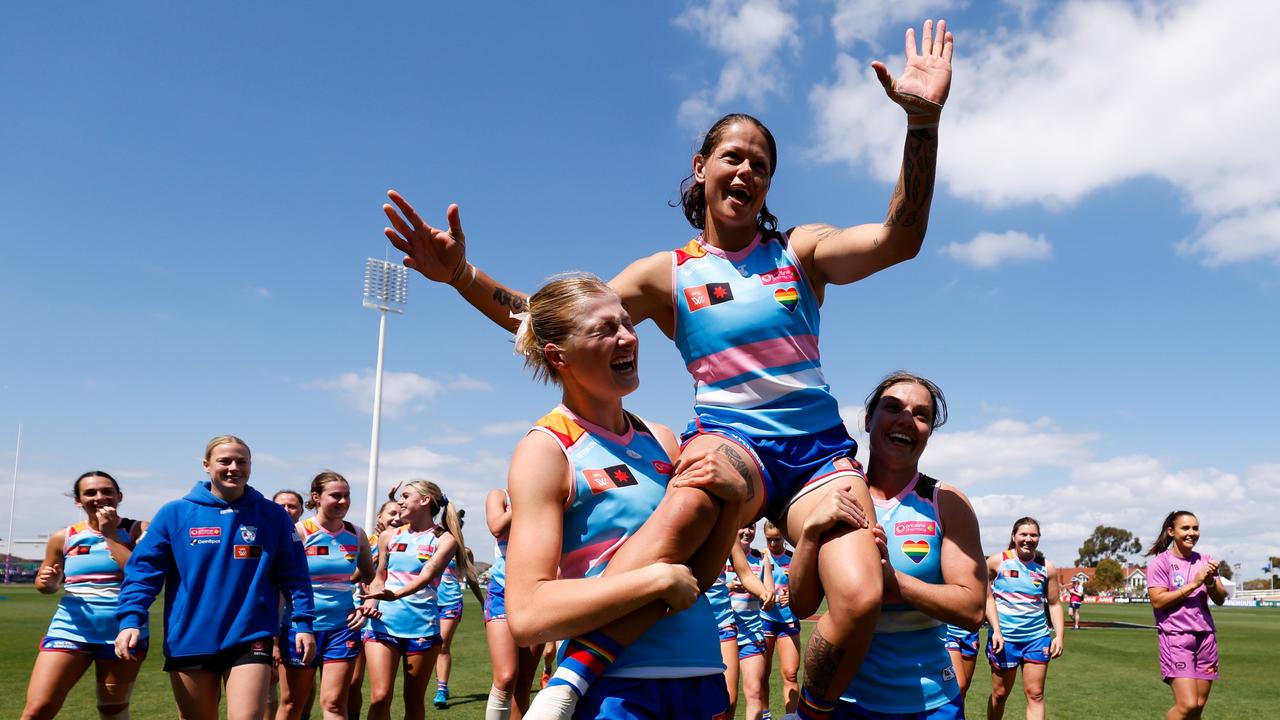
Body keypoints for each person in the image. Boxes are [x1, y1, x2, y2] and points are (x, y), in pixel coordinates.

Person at [384, 20, 952, 718]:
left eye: (761, 166)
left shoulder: (800, 253)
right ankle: (574, 675)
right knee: (686, 504)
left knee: (861, 595)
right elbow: (552, 320)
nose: (746, 171)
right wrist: (461, 275)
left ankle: (809, 708)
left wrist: (921, 126)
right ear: (702, 165)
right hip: (733, 440)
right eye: (734, 157)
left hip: (817, 457)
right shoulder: (668, 273)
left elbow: (901, 238)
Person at [504, 274, 747, 719]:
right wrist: (652, 581)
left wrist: (731, 502)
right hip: (613, 686)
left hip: (701, 670)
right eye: (604, 329)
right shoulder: (546, 449)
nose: (627, 338)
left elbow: (696, 576)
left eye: (627, 323)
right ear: (559, 356)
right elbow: (526, 614)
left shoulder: (662, 439)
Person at [789, 372, 985, 719]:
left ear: (929, 432)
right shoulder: (836, 495)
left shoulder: (947, 502)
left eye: (921, 415)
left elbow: (971, 610)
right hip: (842, 702)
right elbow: (802, 606)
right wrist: (810, 535)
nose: (906, 420)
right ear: (868, 419)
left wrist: (896, 584)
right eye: (893, 408)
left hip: (930, 703)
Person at [114, 435, 316, 720]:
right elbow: (143, 572)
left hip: (250, 635)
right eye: (225, 461)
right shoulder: (176, 513)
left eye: (241, 461)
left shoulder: (272, 515)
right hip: (190, 637)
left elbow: (295, 575)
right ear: (207, 465)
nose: (234, 467)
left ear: (250, 466)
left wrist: (304, 623)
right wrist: (131, 619)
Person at [22, 471, 147, 720]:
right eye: (90, 493)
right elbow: (47, 583)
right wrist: (48, 582)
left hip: (123, 632)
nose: (99, 497)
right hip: (70, 629)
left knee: (113, 710)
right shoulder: (64, 536)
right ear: (78, 500)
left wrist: (110, 533)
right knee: (38, 709)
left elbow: (140, 573)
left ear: (119, 496)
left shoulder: (138, 530)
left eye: (107, 491)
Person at [359, 479, 464, 720]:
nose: (400, 501)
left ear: (425, 500)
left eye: (406, 496)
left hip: (421, 628)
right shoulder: (389, 536)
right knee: (380, 696)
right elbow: (379, 577)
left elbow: (427, 575)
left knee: (414, 700)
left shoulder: (444, 539)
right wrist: (372, 602)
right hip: (382, 625)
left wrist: (394, 594)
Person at [276, 473, 376, 720]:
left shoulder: (356, 534)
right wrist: (276, 638)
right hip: (300, 628)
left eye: (347, 496)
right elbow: (279, 585)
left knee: (333, 704)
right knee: (291, 705)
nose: (343, 501)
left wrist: (369, 603)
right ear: (316, 498)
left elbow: (370, 578)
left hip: (342, 628)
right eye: (336, 496)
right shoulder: (300, 532)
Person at [1145, 511, 1225, 720]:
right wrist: (1195, 583)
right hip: (1176, 637)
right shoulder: (1160, 563)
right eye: (1186, 528)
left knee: (1198, 706)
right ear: (1171, 532)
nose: (1192, 533)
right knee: (1187, 704)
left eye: (1195, 528)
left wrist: (1209, 581)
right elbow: (1158, 600)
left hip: (1205, 637)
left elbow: (1220, 598)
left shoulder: (1204, 560)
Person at [984, 518, 1063, 720]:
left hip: (1036, 638)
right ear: (1014, 536)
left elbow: (1054, 604)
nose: (1028, 539)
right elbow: (985, 596)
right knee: (1000, 695)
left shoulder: (1047, 567)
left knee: (1035, 694)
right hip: (1004, 640)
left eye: (1033, 535)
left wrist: (1059, 636)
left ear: (1039, 538)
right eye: (1024, 534)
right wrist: (996, 630)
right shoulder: (996, 561)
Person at [484, 488, 545, 720]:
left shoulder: (551, 494)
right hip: (502, 590)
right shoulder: (500, 495)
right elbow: (497, 526)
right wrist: (527, 498)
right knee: (506, 677)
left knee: (524, 684)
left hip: (538, 590)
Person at [347, 499, 402, 720]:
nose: (396, 518)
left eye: (400, 513)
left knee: (382, 693)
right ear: (379, 517)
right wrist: (378, 554)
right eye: (391, 513)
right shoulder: (365, 541)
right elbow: (351, 577)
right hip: (358, 614)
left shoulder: (407, 542)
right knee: (353, 681)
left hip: (386, 618)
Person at [433, 512, 484, 709]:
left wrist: (482, 602)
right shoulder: (429, 543)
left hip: (451, 601)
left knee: (443, 644)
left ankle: (441, 689)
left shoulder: (464, 551)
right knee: (426, 646)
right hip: (427, 601)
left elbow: (471, 578)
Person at [727, 523, 774, 720]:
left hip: (751, 633)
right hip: (724, 631)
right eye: (743, 527)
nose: (747, 532)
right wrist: (730, 586)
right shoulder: (720, 555)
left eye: (752, 528)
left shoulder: (761, 559)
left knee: (755, 691)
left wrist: (766, 595)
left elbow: (769, 596)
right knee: (728, 699)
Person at [268, 489, 306, 720]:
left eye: (292, 506)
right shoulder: (263, 536)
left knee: (301, 691)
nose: (286, 510)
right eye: (280, 505)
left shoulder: (303, 538)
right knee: (269, 687)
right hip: (270, 625)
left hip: (300, 624)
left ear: (301, 510)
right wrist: (273, 640)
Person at [761, 521, 801, 715]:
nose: (774, 544)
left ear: (784, 538)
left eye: (777, 539)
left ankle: (791, 717)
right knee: (762, 675)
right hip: (764, 619)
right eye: (769, 540)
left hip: (788, 621)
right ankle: (765, 715)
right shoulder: (760, 558)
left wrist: (792, 597)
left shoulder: (794, 559)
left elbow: (804, 590)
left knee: (791, 674)